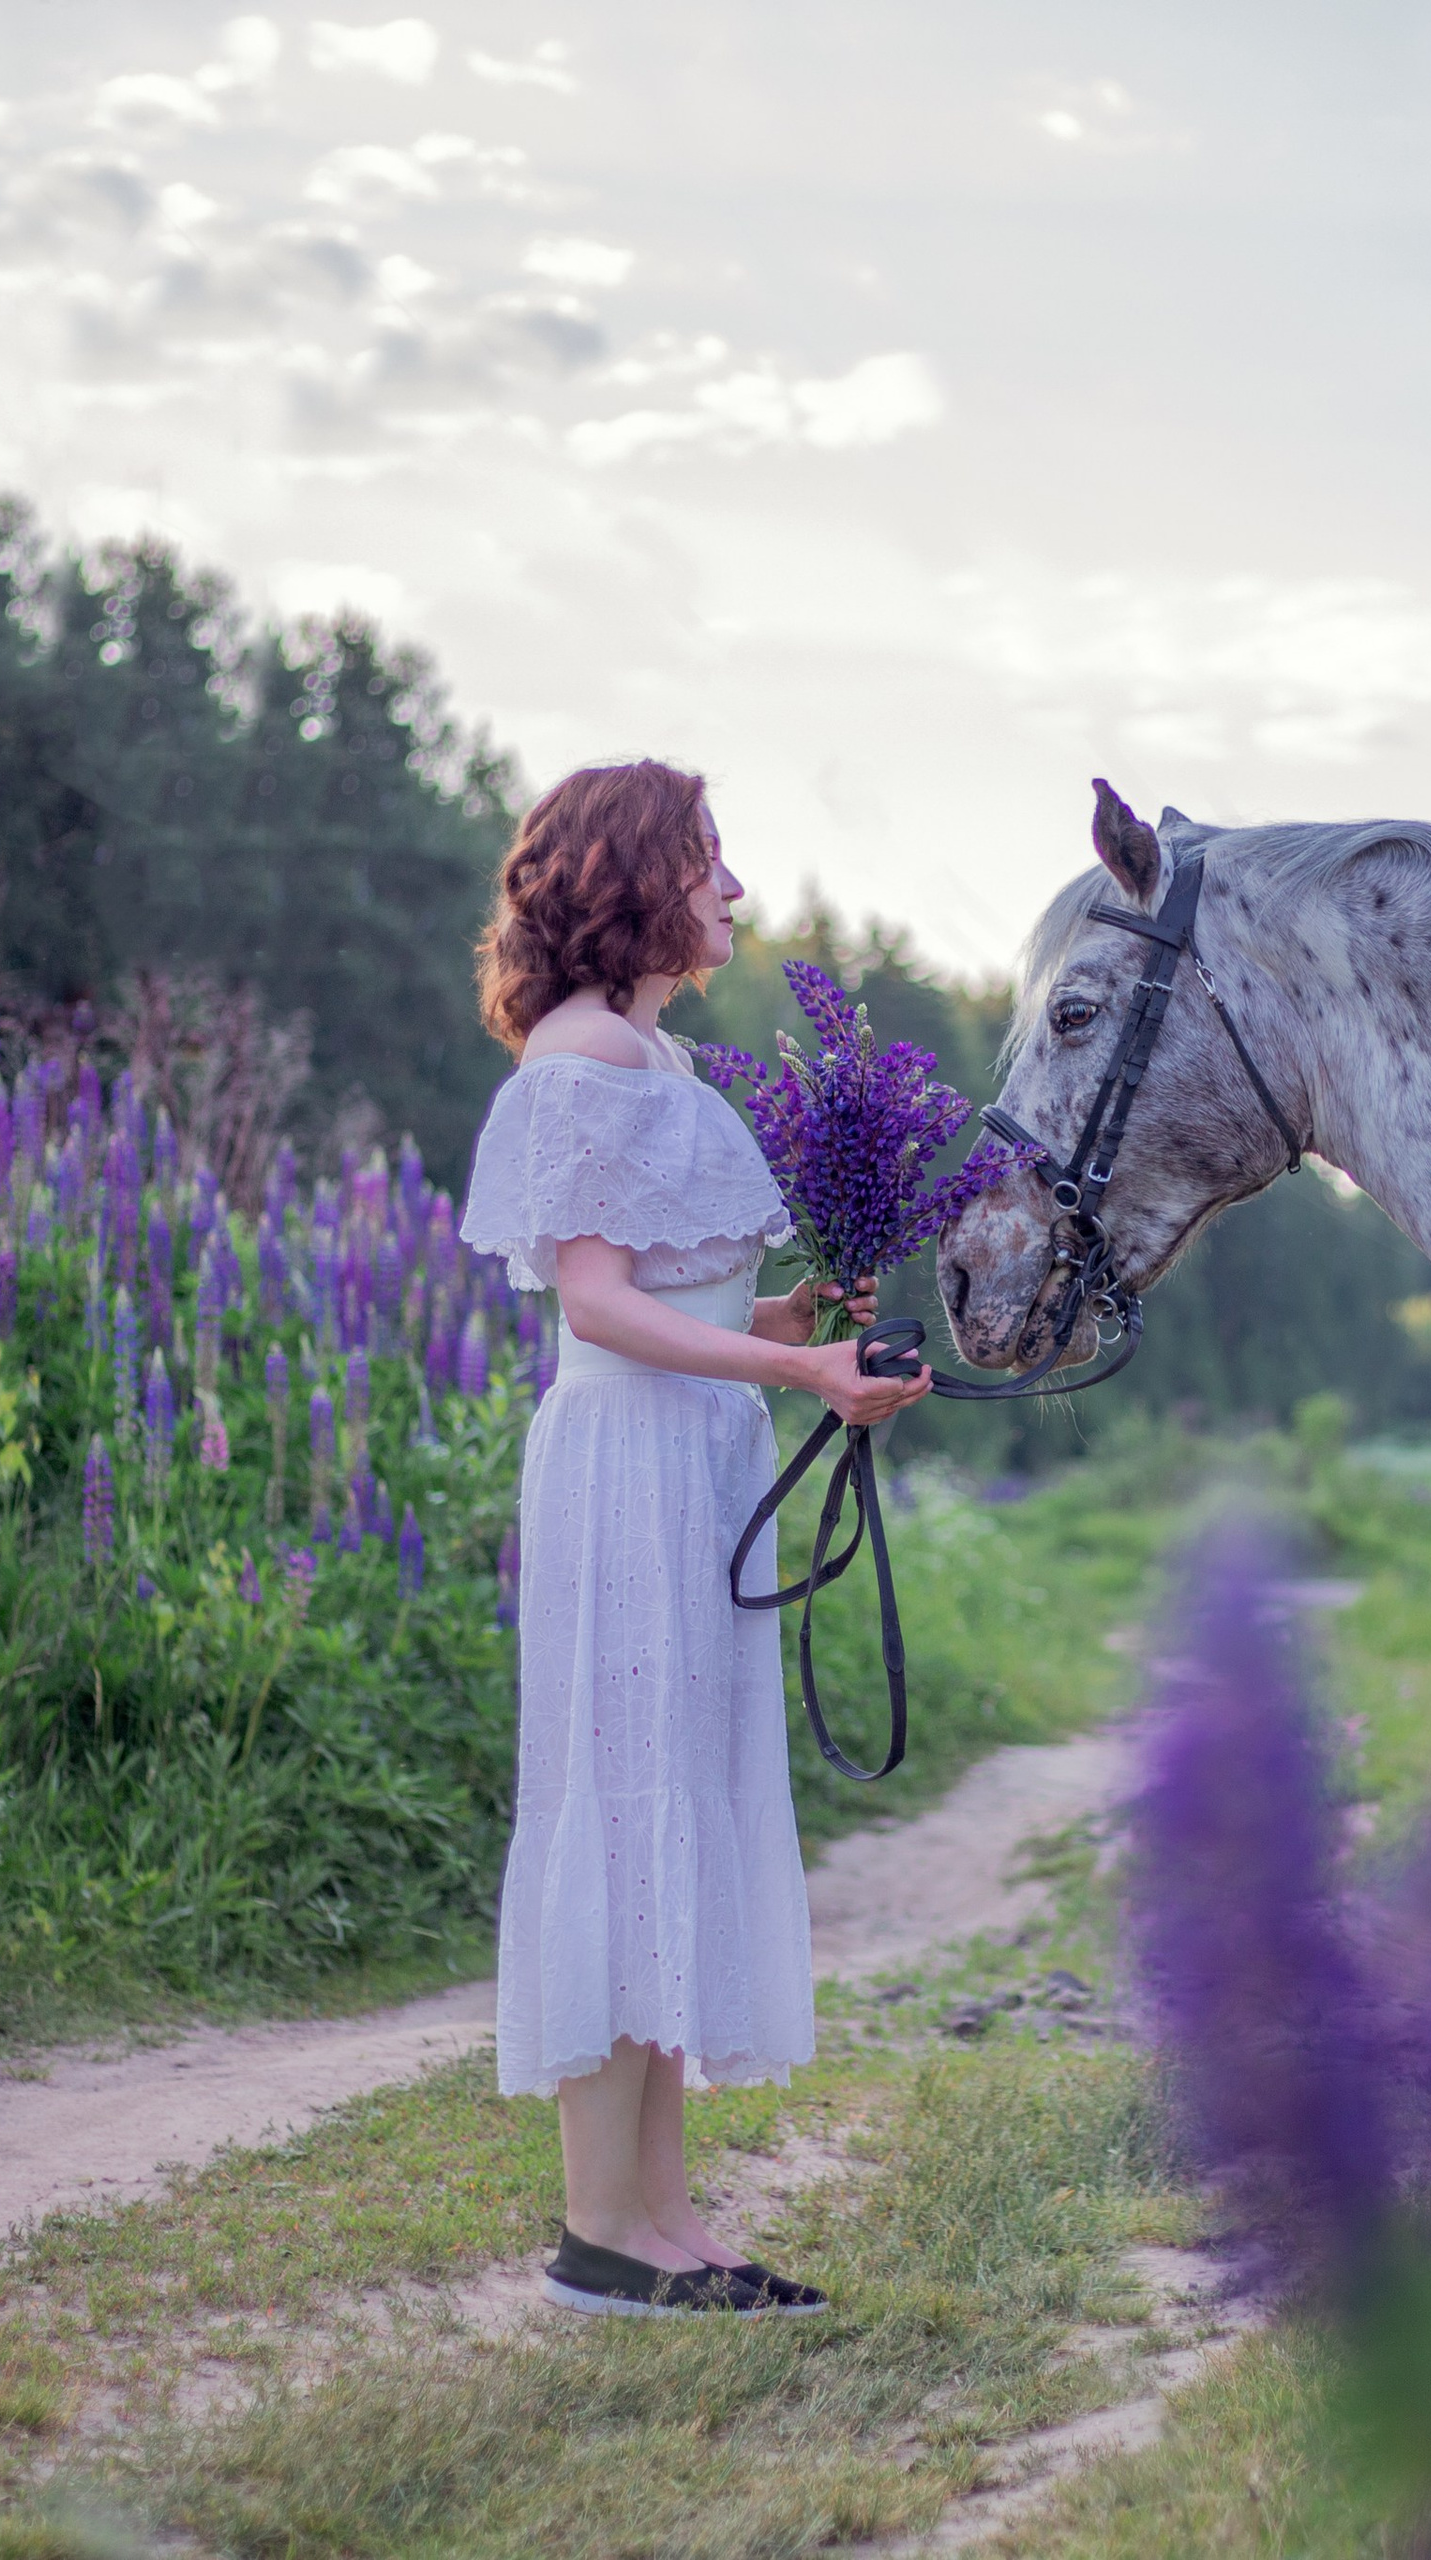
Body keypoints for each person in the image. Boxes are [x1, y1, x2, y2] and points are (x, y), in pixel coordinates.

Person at [461, 759, 930, 2318]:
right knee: (622, 1800)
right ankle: (602, 2230)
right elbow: (594, 1302)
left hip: (689, 1455)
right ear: (633, 877)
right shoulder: (579, 1064)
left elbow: (678, 1298)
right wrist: (796, 1371)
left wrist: (799, 1322)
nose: (732, 891)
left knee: (674, 1802)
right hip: (625, 1464)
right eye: (708, 862)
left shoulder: (655, 1064)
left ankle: (661, 2220)